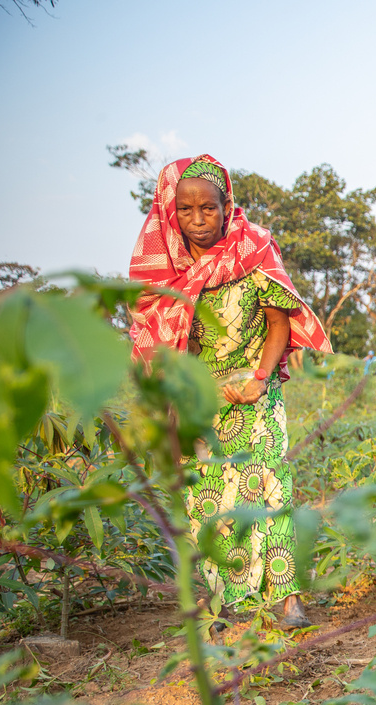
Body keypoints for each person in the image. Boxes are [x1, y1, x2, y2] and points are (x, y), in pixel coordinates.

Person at [127, 154, 331, 632]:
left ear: (227, 206)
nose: (198, 221)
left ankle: (289, 601)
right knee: (208, 502)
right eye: (186, 210)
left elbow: (278, 320)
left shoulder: (252, 247)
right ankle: (223, 607)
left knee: (271, 489)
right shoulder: (162, 273)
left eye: (209, 209)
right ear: (169, 211)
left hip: (256, 395)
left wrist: (259, 377)